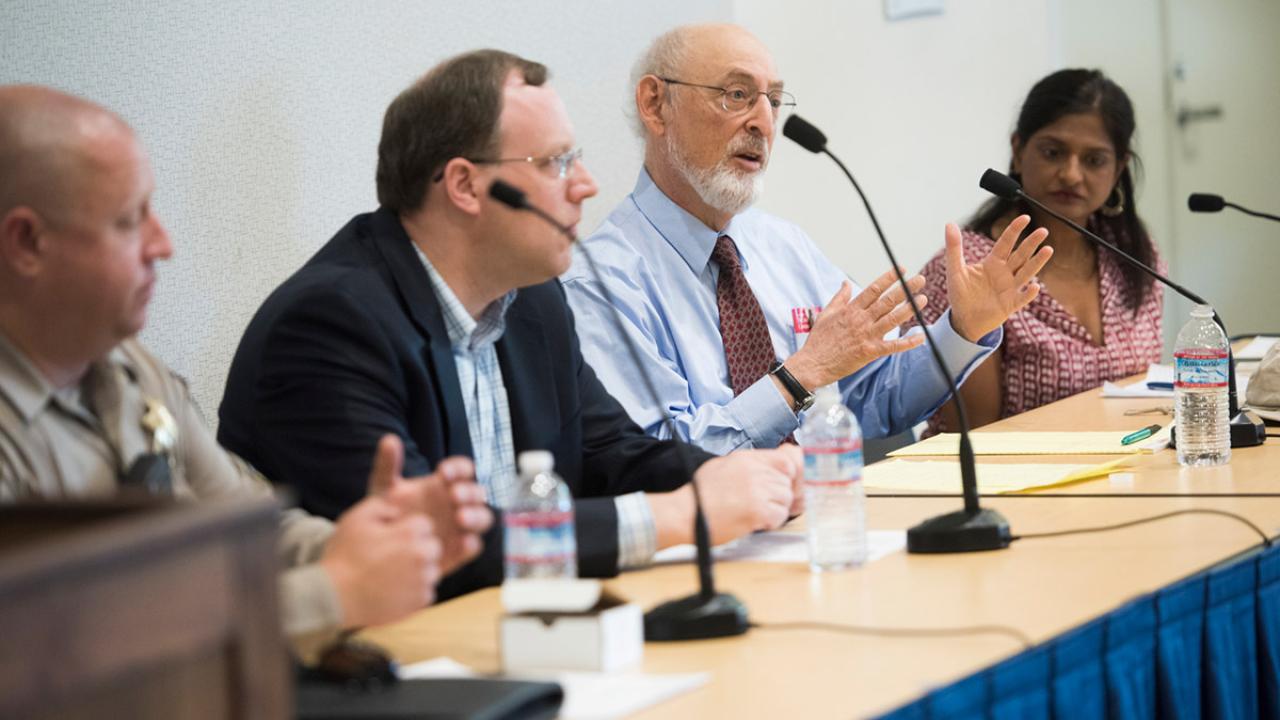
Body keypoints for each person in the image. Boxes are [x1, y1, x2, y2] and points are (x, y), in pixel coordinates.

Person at [217, 50, 803, 598]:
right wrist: (680, 514)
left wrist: (752, 481)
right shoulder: (330, 328)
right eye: (556, 163)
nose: (586, 185)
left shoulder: (533, 302)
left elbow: (614, 456)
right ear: (465, 185)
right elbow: (438, 549)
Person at [0, 85, 494, 661]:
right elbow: (45, 653)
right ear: (27, 242)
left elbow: (248, 528)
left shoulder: (130, 368)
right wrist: (332, 594)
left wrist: (378, 545)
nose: (163, 245)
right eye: (129, 221)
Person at [561, 24, 1052, 455]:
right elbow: (654, 460)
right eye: (736, 94)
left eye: (772, 101)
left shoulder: (784, 246)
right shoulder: (601, 282)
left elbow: (877, 395)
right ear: (655, 104)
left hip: (829, 511)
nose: (763, 123)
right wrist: (798, 377)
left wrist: (964, 328)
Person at [912, 69, 1163, 432]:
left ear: (1119, 167)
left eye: (1094, 160)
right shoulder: (968, 269)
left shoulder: (1132, 255)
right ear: (1018, 150)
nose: (1071, 174)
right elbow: (974, 433)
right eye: (1053, 152)